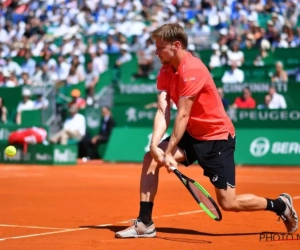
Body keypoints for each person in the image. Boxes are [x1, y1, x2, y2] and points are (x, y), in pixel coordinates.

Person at [115, 23, 298, 238]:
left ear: (176, 45)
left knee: (229, 202)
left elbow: (182, 115)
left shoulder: (192, 69)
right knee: (150, 158)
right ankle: (145, 223)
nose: (156, 52)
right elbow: (163, 110)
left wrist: (168, 151)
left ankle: (280, 205)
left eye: (159, 47)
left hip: (217, 139)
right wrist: (155, 145)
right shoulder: (165, 70)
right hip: (193, 135)